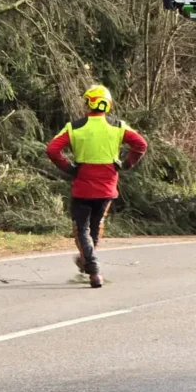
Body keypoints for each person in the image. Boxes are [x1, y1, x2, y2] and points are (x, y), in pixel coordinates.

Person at [45, 84, 148, 288]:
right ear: (107, 104)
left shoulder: (74, 127)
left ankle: (93, 269)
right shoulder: (118, 126)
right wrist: (126, 164)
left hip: (82, 185)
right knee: (96, 225)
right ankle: (87, 265)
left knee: (81, 229)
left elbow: (52, 149)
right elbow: (141, 144)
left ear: (88, 103)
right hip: (107, 187)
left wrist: (68, 167)